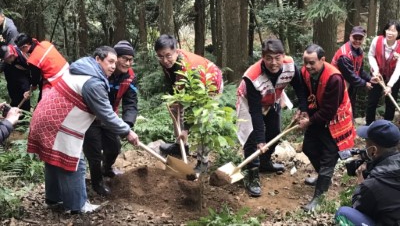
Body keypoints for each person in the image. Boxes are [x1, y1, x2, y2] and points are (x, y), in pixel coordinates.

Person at [27, 46, 140, 214]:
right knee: (74, 161)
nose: (113, 66)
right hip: (58, 122)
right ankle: (77, 206)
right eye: (110, 61)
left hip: (45, 117)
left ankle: (54, 199)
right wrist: (127, 131)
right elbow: (106, 113)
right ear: (97, 59)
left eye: (115, 63)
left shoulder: (81, 69)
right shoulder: (92, 81)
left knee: (53, 159)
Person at [236, 38, 308, 197]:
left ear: (283, 56)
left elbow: (300, 88)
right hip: (249, 102)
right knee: (252, 137)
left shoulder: (290, 65)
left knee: (275, 131)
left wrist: (303, 108)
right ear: (262, 57)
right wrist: (260, 140)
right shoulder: (252, 76)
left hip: (273, 96)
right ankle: (252, 173)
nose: (273, 62)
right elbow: (256, 112)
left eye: (277, 58)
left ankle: (265, 162)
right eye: (268, 58)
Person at [154, 34, 223, 173]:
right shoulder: (168, 62)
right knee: (175, 109)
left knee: (201, 120)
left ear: (176, 50)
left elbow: (193, 104)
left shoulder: (190, 67)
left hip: (209, 85)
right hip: (187, 87)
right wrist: (175, 98)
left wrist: (186, 129)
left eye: (168, 55)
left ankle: (203, 161)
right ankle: (181, 146)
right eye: (160, 56)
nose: (165, 60)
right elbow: (171, 80)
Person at [299, 44, 356, 211]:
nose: (308, 66)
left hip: (336, 119)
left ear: (322, 60)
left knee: (328, 158)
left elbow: (329, 111)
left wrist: (308, 121)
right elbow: (305, 93)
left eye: (312, 62)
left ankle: (319, 197)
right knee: (308, 147)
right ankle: (324, 177)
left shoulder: (334, 78)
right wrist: (303, 111)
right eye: (305, 62)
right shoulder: (305, 72)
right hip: (318, 116)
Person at [83, 41, 138, 196]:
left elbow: (131, 102)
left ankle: (106, 169)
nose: (127, 63)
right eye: (124, 59)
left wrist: (126, 125)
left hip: (110, 118)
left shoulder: (130, 77)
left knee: (114, 147)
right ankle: (97, 182)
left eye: (130, 60)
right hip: (90, 117)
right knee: (94, 153)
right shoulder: (100, 73)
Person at [335, 119, 400, 226]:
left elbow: (358, 207)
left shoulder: (372, 184)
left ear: (373, 150)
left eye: (366, 143)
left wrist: (361, 183)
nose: (364, 147)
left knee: (343, 213)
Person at [331, 26, 377, 117]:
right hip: (338, 84)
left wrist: (370, 79)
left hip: (349, 84)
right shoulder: (344, 55)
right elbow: (350, 76)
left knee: (350, 106)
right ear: (350, 37)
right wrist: (364, 83)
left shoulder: (359, 51)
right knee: (340, 107)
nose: (357, 41)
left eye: (360, 38)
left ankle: (349, 125)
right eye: (355, 38)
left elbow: (359, 70)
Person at [365, 20, 400, 125]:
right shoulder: (377, 40)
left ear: (398, 33)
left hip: (393, 76)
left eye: (393, 31)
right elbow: (371, 55)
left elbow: (399, 69)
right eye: (388, 30)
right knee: (372, 100)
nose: (390, 33)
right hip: (377, 74)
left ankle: (387, 125)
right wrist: (375, 70)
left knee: (390, 102)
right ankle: (369, 124)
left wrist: (389, 85)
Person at [14, 33, 69, 99]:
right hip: (68, 72)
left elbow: (35, 79)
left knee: (43, 102)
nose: (21, 51)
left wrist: (32, 87)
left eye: (21, 49)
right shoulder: (45, 43)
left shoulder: (33, 60)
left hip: (57, 80)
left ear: (25, 46)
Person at [0, 44, 31, 111]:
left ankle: (24, 113)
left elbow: (32, 71)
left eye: (11, 55)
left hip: (24, 75)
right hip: (12, 77)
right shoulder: (6, 62)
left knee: (24, 94)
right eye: (8, 57)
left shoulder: (23, 56)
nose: (11, 57)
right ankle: (13, 107)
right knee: (12, 89)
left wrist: (28, 89)